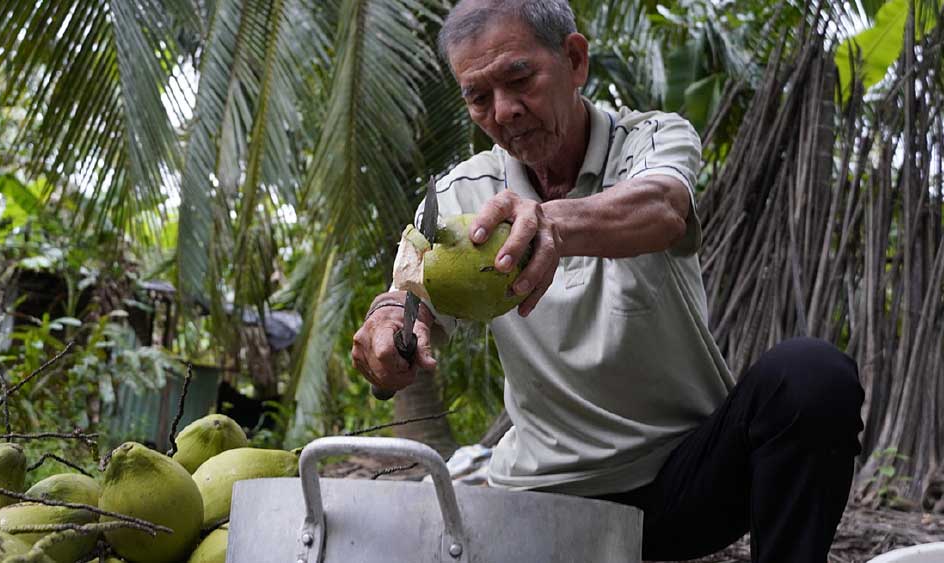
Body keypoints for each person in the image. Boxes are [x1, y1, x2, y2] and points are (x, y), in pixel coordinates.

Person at [350, 1, 865, 561]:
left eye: (519, 79)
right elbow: (409, 296)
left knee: (812, 377)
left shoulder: (651, 139)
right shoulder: (460, 194)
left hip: (686, 480)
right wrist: (387, 327)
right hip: (546, 500)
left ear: (575, 60)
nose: (504, 111)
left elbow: (662, 207)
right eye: (478, 97)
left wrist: (550, 223)